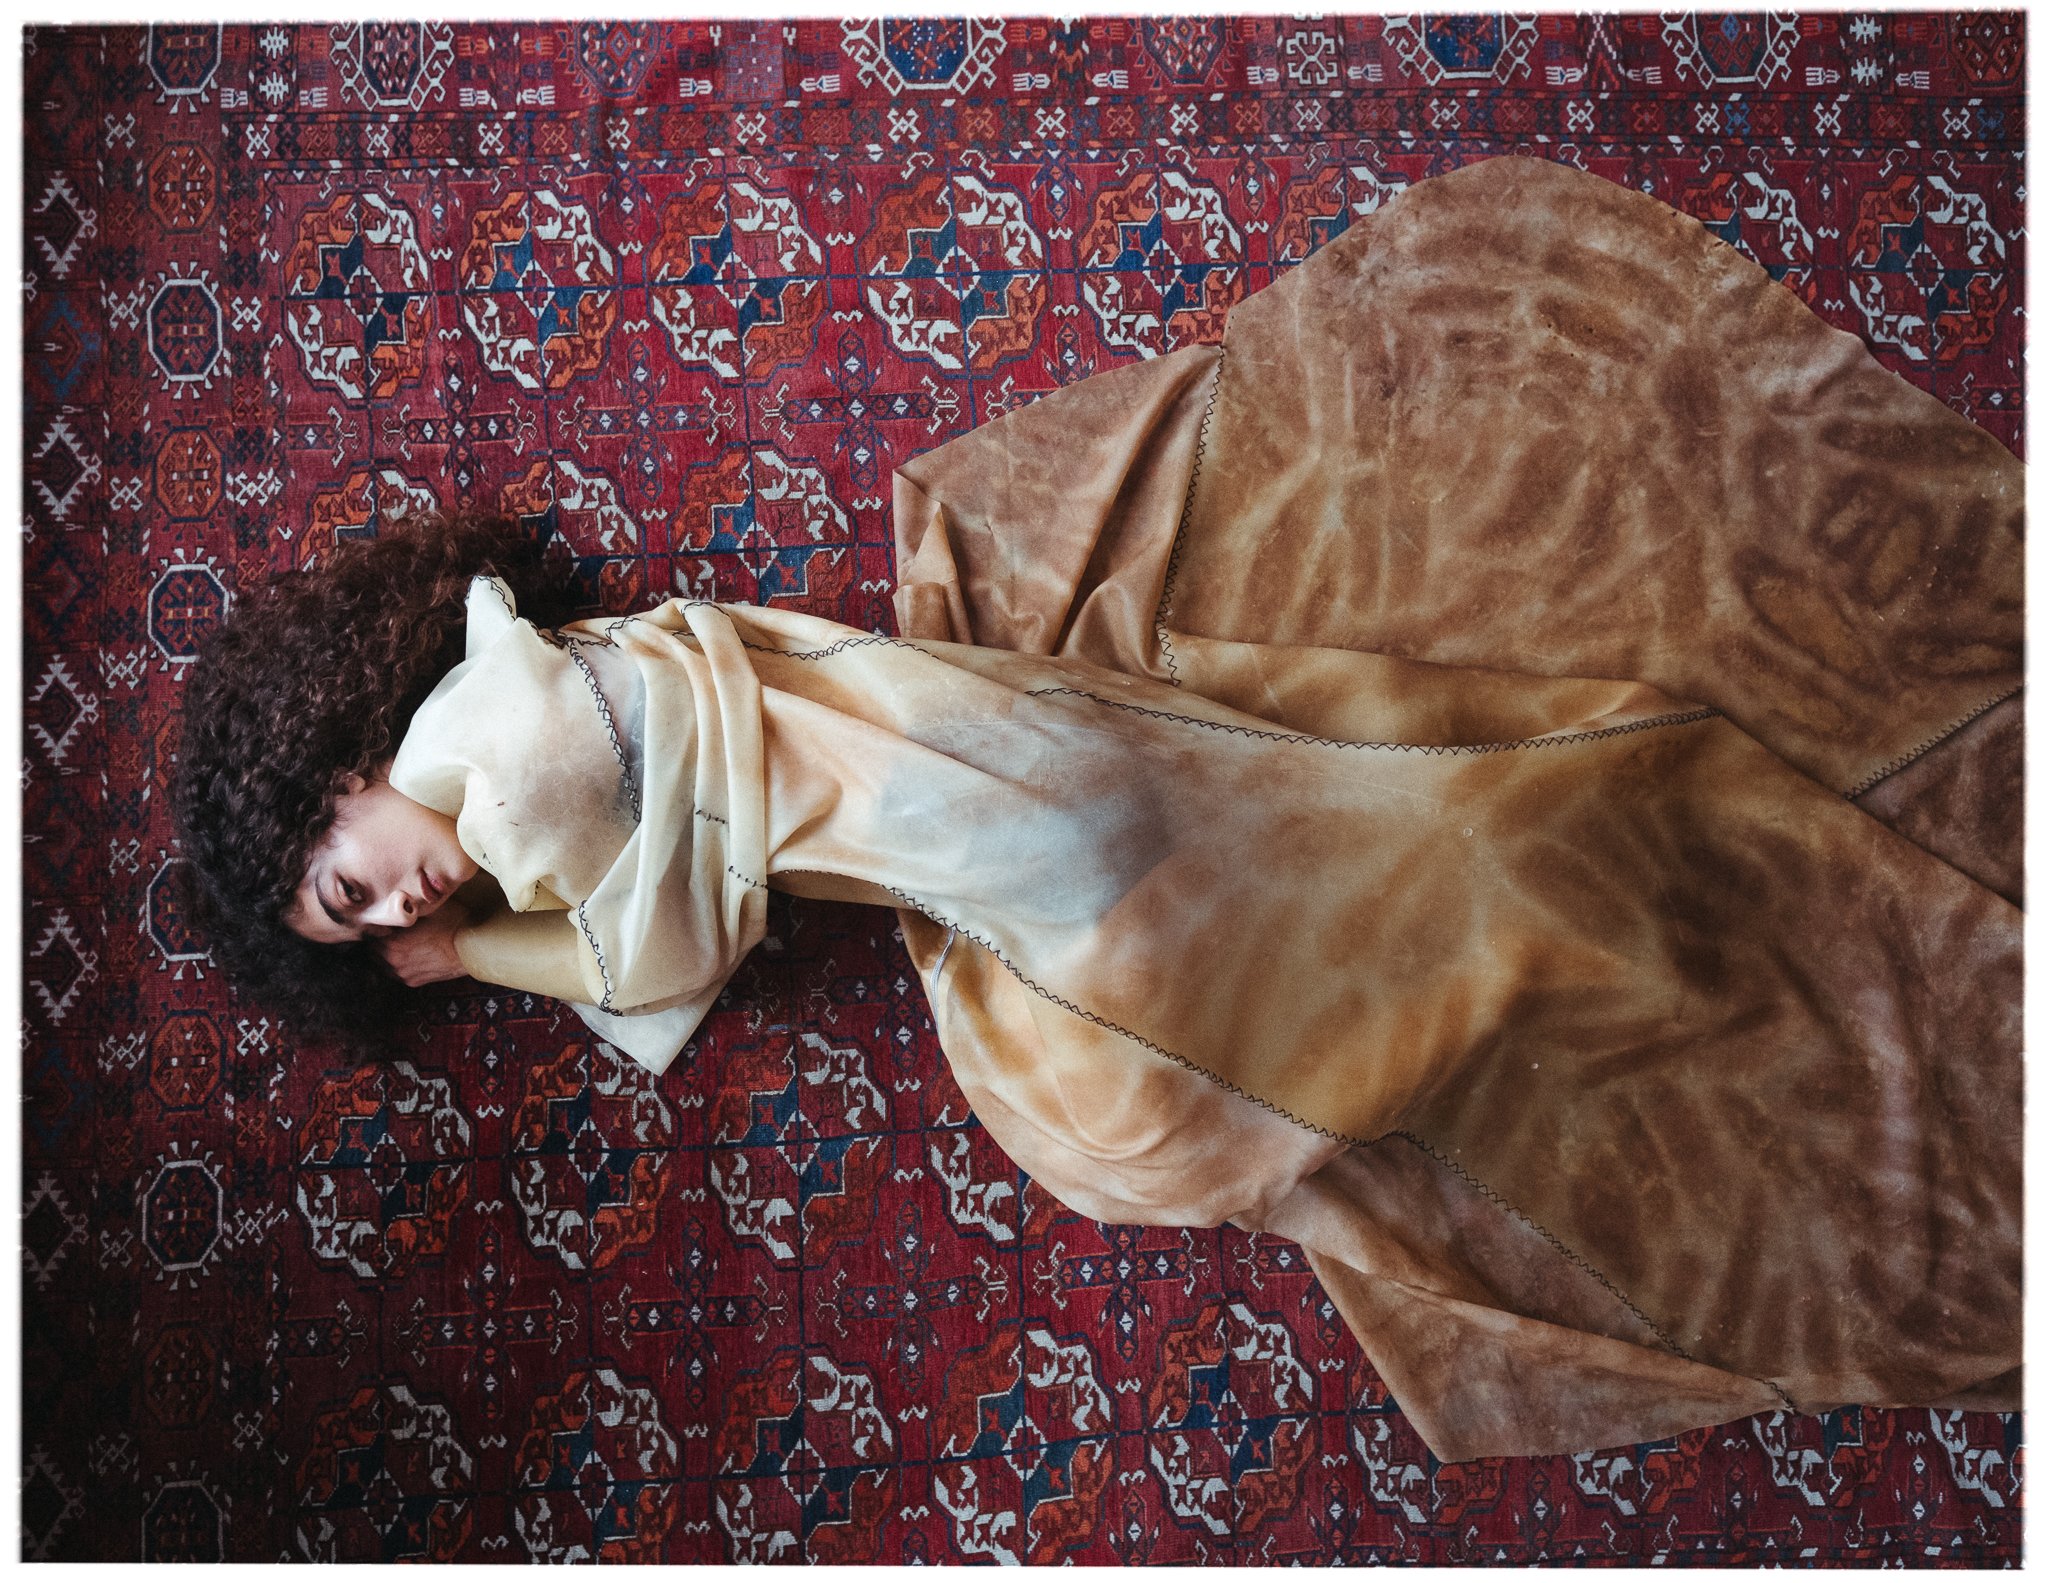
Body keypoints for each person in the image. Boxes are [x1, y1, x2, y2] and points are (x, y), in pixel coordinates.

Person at [174, 157, 2020, 1463]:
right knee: (1228, 934)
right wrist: (471, 932)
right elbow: (669, 908)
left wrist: (460, 964)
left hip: (1009, 810)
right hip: (997, 753)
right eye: (370, 923)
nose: (400, 901)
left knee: (1120, 1122)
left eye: (351, 885)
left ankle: (1525, 899)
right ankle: (1490, 888)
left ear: (342, 772)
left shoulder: (500, 758)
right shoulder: (504, 679)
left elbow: (648, 972)